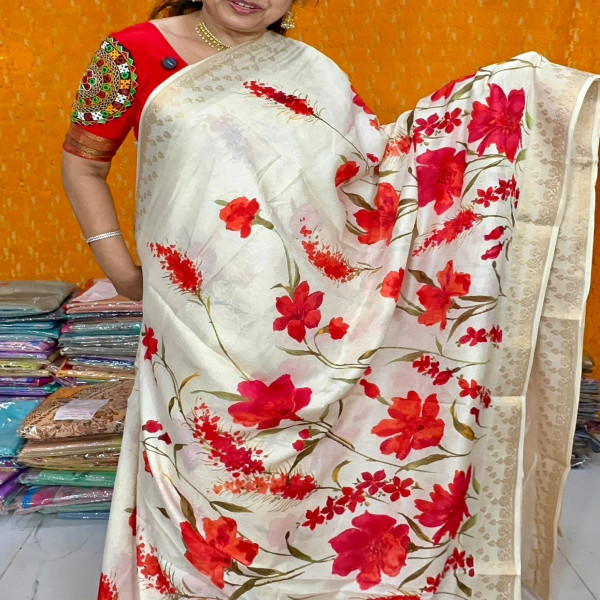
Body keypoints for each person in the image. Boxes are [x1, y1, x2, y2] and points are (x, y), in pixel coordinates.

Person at [62, 1, 600, 599]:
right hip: (194, 321)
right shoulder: (129, 54)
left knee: (304, 475)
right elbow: (83, 164)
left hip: (302, 321)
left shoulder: (311, 72)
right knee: (199, 468)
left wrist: (506, 98)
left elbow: (379, 175)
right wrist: (121, 270)